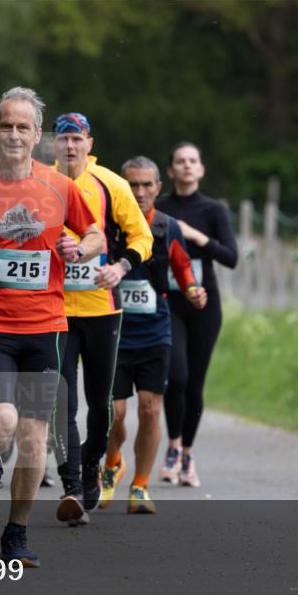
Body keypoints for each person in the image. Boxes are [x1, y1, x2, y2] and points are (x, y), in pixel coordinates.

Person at [0, 87, 103, 567]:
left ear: (38, 136)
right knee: (2, 421)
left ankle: (16, 533)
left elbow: (93, 234)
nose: (14, 134)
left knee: (34, 438)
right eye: (5, 126)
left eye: (22, 127)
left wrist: (83, 249)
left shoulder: (61, 187)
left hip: (47, 326)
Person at [50, 112, 153, 526]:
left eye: (77, 138)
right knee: (62, 401)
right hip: (52, 309)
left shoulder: (112, 184)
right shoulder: (40, 181)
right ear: (53, 145)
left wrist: (121, 268)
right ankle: (72, 484)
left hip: (101, 307)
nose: (70, 146)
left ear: (89, 143)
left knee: (101, 403)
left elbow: (142, 237)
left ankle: (92, 466)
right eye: (63, 139)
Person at [102, 156, 206, 514]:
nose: (140, 192)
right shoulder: (107, 225)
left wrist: (192, 290)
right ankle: (113, 461)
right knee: (113, 413)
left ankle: (140, 487)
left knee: (150, 408)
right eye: (132, 184)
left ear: (158, 188)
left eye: (147, 185)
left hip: (154, 330)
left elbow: (183, 267)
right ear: (121, 188)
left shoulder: (166, 226)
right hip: (113, 330)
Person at [155, 142, 238, 487]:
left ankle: (187, 454)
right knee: (176, 376)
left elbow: (230, 257)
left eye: (193, 161)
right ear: (171, 171)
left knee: (195, 383)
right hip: (169, 301)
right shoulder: (159, 208)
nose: (187, 166)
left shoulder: (214, 209)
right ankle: (172, 447)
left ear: (201, 169)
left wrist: (193, 236)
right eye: (180, 162)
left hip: (205, 304)